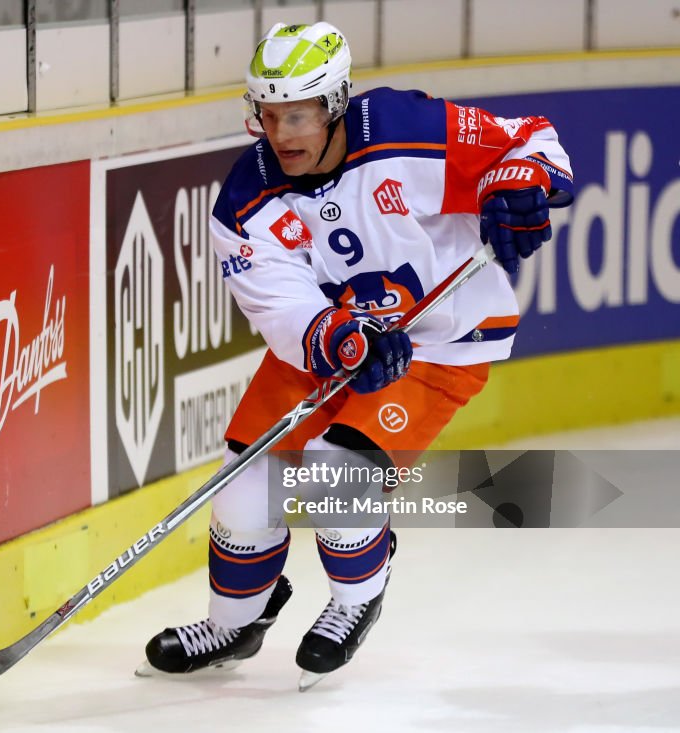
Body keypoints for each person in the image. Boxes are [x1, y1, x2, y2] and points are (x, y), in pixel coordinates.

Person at [137, 21, 574, 690]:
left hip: (439, 341)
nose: (282, 132)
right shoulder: (244, 199)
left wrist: (519, 181)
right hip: (323, 346)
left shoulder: (406, 129)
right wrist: (339, 337)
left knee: (336, 473)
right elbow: (280, 305)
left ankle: (353, 599)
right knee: (244, 490)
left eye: (300, 112)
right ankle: (236, 621)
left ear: (336, 102)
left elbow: (530, 139)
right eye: (269, 114)